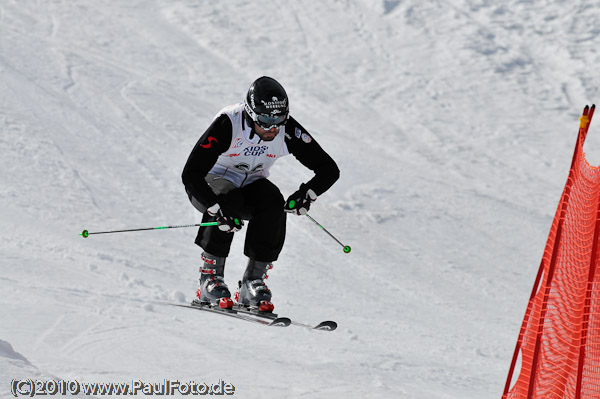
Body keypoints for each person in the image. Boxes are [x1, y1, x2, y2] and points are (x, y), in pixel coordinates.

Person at [181, 76, 339, 312]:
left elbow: (328, 169)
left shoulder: (286, 129)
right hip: (210, 183)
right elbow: (191, 173)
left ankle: (252, 282)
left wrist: (307, 194)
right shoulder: (229, 124)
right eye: (265, 120)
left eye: (279, 119)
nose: (272, 128)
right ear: (250, 113)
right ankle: (209, 278)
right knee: (228, 198)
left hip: (251, 183)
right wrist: (213, 208)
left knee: (273, 202)